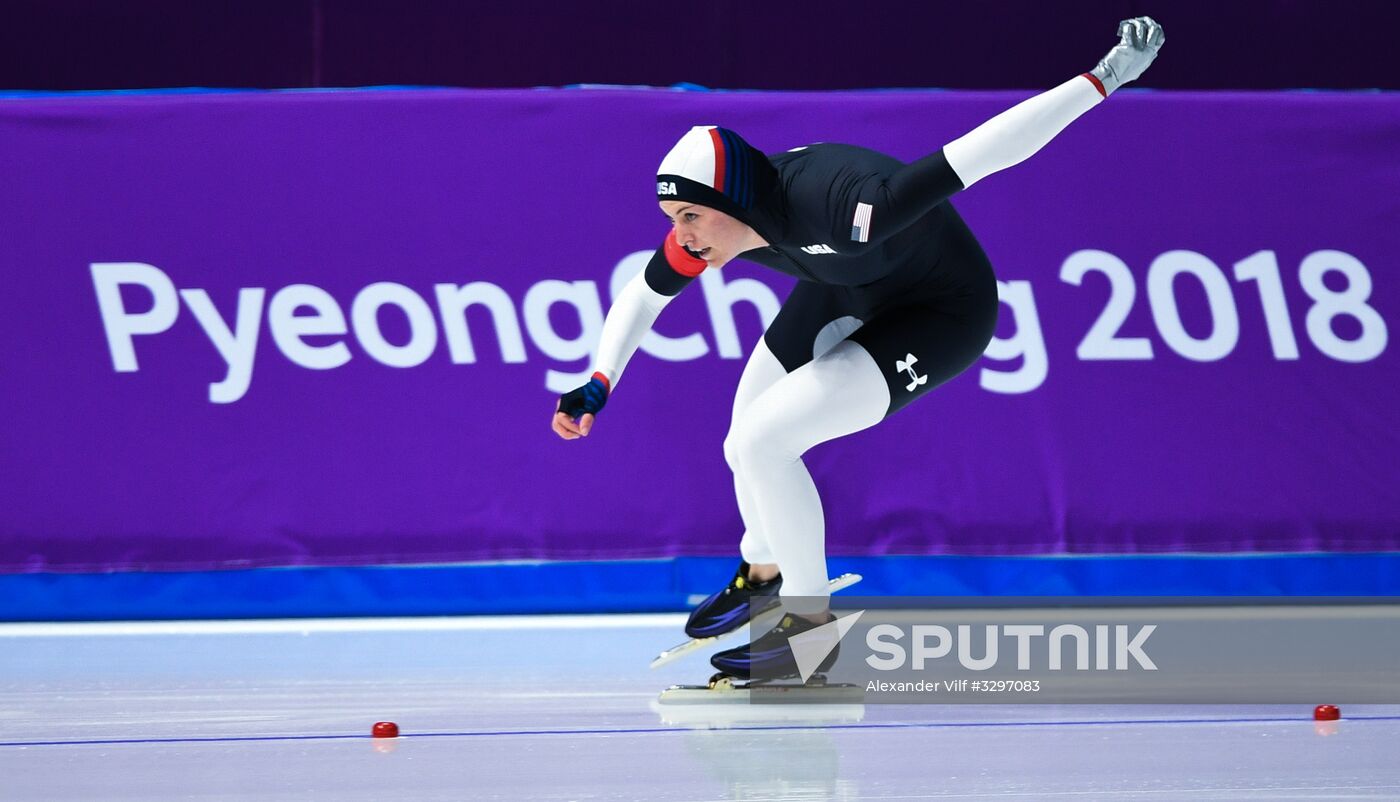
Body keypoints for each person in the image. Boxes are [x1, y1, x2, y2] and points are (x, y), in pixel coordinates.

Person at [553, 18, 1166, 679]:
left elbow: (980, 154)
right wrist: (599, 379)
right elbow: (643, 297)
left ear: (729, 200)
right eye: (674, 221)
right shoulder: (724, 224)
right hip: (844, 289)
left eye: (689, 217)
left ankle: (809, 635)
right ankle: (763, 570)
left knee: (763, 443)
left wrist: (1102, 80)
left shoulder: (841, 204)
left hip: (938, 312)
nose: (682, 236)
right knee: (742, 442)